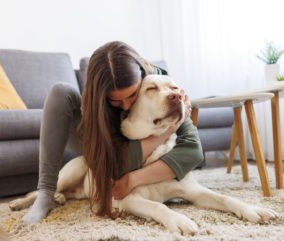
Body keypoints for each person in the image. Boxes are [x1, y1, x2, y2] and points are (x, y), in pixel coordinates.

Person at [23, 41, 203, 223]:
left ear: (142, 75)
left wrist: (133, 179)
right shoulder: (96, 99)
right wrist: (169, 130)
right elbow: (112, 164)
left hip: (130, 151)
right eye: (116, 101)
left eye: (132, 95)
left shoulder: (161, 83)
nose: (126, 105)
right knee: (61, 91)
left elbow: (193, 151)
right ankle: (45, 193)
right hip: (100, 143)